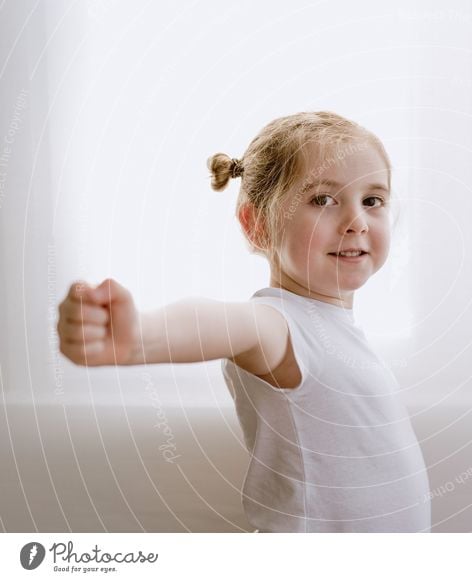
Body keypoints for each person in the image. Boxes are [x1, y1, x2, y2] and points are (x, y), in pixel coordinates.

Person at [56, 111, 431, 533]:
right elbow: (221, 322)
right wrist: (138, 337)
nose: (357, 222)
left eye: (372, 200)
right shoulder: (279, 324)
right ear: (257, 226)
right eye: (323, 200)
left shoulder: (337, 332)